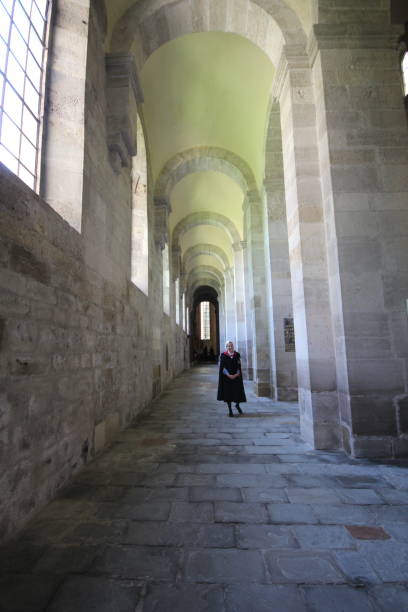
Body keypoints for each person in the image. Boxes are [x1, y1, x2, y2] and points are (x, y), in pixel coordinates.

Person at [217, 340, 246, 417]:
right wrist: (229, 375)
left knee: (238, 392)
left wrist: (236, 374)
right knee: (228, 394)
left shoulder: (237, 355)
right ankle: (230, 410)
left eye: (231, 345)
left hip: (236, 377)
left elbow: (239, 366)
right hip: (227, 378)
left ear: (233, 346)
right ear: (226, 347)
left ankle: (237, 405)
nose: (230, 347)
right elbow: (222, 367)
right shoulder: (223, 355)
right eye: (228, 346)